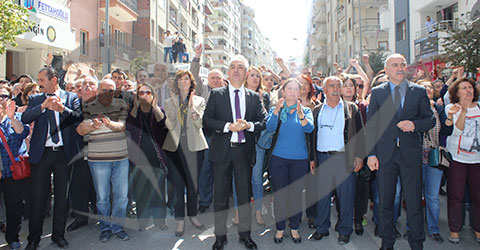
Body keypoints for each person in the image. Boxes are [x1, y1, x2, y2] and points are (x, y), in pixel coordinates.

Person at [366, 54, 435, 250]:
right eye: (395, 65)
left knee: (414, 203)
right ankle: (387, 243)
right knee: (385, 203)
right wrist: (371, 154)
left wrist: (414, 124)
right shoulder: (378, 93)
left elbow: (429, 120)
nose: (400, 68)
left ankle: (416, 244)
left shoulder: (419, 91)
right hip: (385, 156)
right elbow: (371, 126)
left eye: (403, 64)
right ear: (386, 70)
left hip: (410, 155)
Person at [203, 55, 267, 250]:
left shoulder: (254, 97)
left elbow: (263, 122)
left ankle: (245, 235)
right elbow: (207, 121)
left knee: (244, 195)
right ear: (228, 72)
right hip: (222, 152)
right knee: (220, 197)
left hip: (243, 153)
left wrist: (248, 125)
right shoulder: (216, 94)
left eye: (241, 67)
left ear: (246, 73)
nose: (236, 70)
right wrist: (227, 126)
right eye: (232, 67)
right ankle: (220, 237)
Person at [22, 67, 82, 250]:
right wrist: (42, 107)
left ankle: (58, 235)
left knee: (62, 198)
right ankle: (33, 239)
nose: (39, 84)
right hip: (42, 154)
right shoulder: (35, 99)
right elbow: (25, 118)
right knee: (38, 198)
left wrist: (62, 109)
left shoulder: (71, 98)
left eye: (42, 80)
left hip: (63, 153)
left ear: (54, 80)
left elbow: (78, 119)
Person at [308, 76, 364, 245]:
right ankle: (321, 228)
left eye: (338, 85)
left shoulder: (351, 108)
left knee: (346, 197)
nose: (336, 88)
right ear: (323, 90)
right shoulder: (316, 111)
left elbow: (361, 135)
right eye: (332, 86)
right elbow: (311, 137)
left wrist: (360, 157)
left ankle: (345, 230)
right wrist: (312, 159)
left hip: (344, 159)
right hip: (323, 158)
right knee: (322, 196)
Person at [76, 79, 130, 242]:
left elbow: (122, 126)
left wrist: (109, 124)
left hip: (120, 157)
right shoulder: (88, 105)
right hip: (98, 159)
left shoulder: (121, 103)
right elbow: (80, 130)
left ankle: (118, 227)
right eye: (105, 89)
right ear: (98, 90)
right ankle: (105, 228)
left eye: (111, 90)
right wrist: (92, 126)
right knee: (102, 197)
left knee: (121, 197)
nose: (108, 92)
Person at [266, 78, 314, 244]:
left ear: (299, 92)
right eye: (290, 88)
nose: (293, 91)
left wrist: (301, 115)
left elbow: (309, 128)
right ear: (284, 91)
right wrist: (276, 111)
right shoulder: (276, 108)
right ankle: (280, 228)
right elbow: (270, 128)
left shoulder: (306, 110)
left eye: (296, 89)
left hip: (299, 160)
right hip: (278, 159)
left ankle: (294, 228)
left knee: (295, 195)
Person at [162, 70, 207, 236]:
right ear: (176, 83)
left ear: (191, 82)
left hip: (194, 147)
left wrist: (191, 108)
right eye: (180, 79)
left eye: (186, 79)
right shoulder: (169, 101)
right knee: (178, 184)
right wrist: (174, 107)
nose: (183, 81)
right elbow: (169, 124)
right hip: (175, 147)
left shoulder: (199, 100)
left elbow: (199, 123)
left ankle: (193, 215)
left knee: (193, 184)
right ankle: (180, 219)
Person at [126, 83, 169, 231]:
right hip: (139, 158)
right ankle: (142, 222)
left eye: (148, 93)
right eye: (141, 93)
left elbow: (163, 123)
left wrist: (155, 106)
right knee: (141, 192)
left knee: (158, 192)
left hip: (157, 158)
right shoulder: (133, 112)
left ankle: (160, 221)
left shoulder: (158, 110)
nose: (144, 95)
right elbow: (129, 126)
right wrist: (136, 106)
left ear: (153, 95)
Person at [416, 80, 453, 243]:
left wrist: (449, 117)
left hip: (434, 157)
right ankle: (413, 227)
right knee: (415, 194)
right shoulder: (412, 109)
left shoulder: (438, 108)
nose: (428, 89)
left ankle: (433, 228)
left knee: (432, 196)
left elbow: (447, 130)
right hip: (415, 157)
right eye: (423, 87)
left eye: (430, 87)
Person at [232, 66, 270, 226]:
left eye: (257, 76)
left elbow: (265, 121)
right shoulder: (237, 94)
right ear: (246, 77)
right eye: (252, 75)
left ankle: (258, 211)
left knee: (256, 179)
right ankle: (238, 212)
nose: (255, 78)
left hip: (258, 143)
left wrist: (250, 125)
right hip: (239, 142)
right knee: (238, 179)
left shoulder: (264, 96)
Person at [189, 44, 225, 213]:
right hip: (205, 136)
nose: (216, 81)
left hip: (223, 136)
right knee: (205, 170)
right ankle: (204, 200)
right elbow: (193, 75)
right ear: (208, 80)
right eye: (213, 78)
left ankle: (222, 200)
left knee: (221, 171)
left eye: (219, 78)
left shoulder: (227, 93)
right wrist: (197, 56)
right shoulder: (201, 90)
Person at [444, 77, 480, 244]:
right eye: (464, 88)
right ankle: (455, 229)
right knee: (456, 195)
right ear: (456, 93)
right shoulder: (452, 108)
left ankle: (477, 227)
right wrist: (463, 112)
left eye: (470, 87)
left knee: (477, 195)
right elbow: (456, 132)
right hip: (457, 159)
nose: (468, 90)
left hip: (477, 159)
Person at [67, 77, 98, 233]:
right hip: (78, 151)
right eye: (83, 84)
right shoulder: (74, 104)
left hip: (100, 152)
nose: (86, 86)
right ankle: (81, 218)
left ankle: (101, 213)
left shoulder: (103, 104)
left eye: (90, 84)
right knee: (78, 186)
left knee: (99, 186)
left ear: (97, 89)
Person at [0, 86, 29, 250]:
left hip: (12, 171)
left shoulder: (16, 116)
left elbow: (22, 133)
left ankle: (13, 237)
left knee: (14, 207)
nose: (0, 99)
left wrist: (11, 118)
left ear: (10, 99)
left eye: (4, 96)